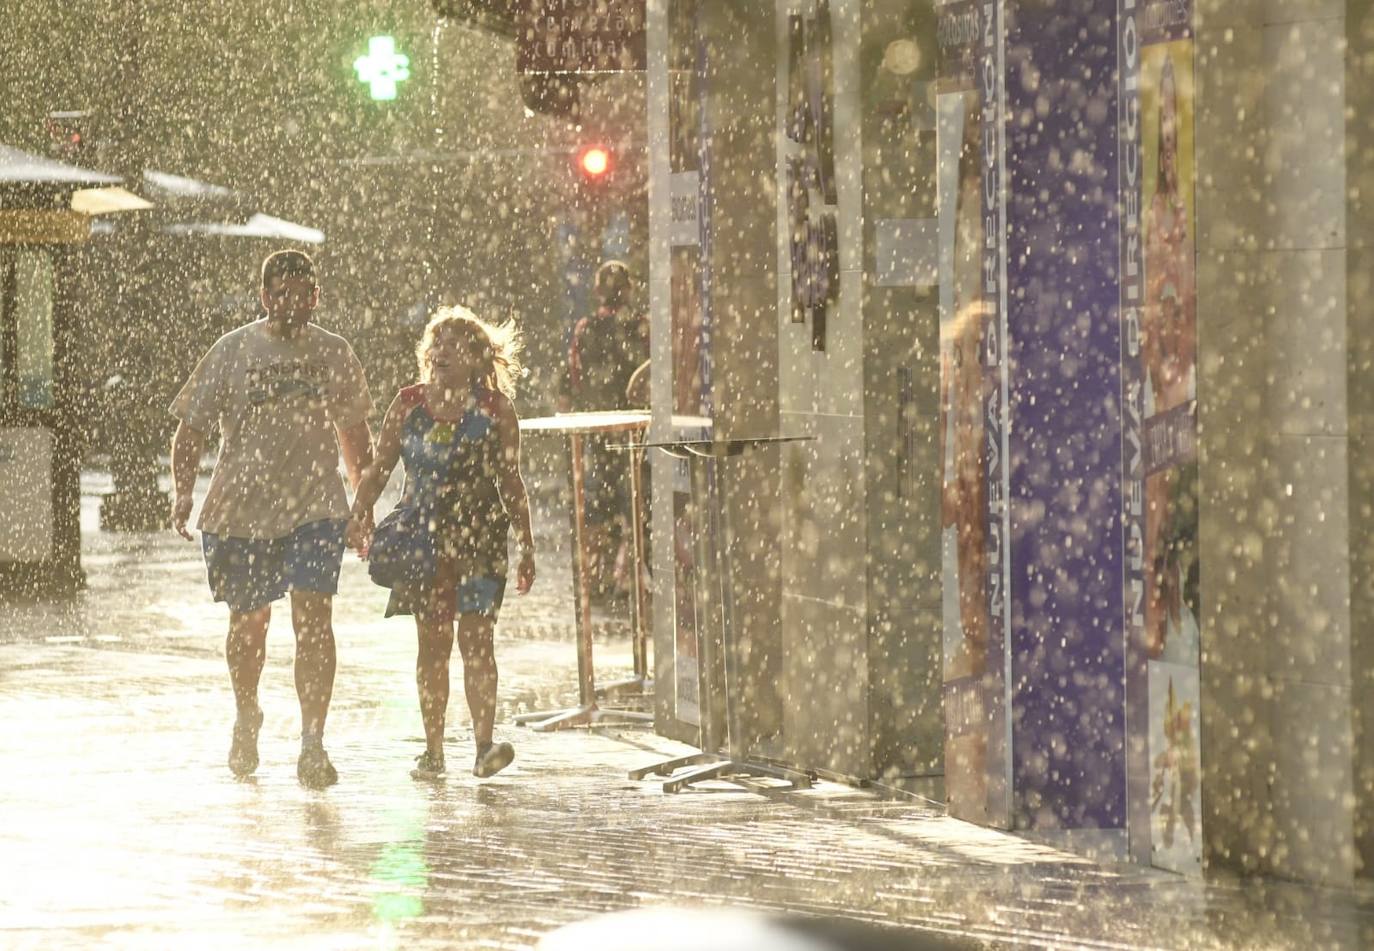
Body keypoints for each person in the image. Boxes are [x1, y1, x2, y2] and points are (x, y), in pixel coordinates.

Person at [169, 248, 374, 788]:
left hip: (316, 509)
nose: (290, 304)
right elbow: (190, 428)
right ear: (264, 297)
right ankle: (247, 713)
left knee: (314, 621)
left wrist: (363, 504)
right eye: (278, 293)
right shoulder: (233, 350)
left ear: (315, 296)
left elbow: (354, 434)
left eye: (300, 293)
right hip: (242, 512)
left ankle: (312, 742)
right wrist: (183, 493)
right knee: (249, 623)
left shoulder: (333, 352)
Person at [350, 306, 536, 780]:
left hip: (481, 540)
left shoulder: (496, 410)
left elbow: (511, 481)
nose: (443, 351)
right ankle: (433, 751)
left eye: (456, 344)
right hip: (425, 543)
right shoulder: (409, 404)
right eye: (438, 343)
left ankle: (483, 747)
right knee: (433, 645)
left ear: (477, 358)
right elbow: (380, 466)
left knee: (477, 642)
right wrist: (361, 511)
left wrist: (527, 542)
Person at [558, 260, 649, 598]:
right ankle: (624, 576)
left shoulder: (587, 328)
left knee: (601, 505)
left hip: (598, 429)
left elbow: (572, 379)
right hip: (633, 428)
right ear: (629, 289)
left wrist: (577, 415)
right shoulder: (639, 327)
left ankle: (599, 578)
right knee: (634, 503)